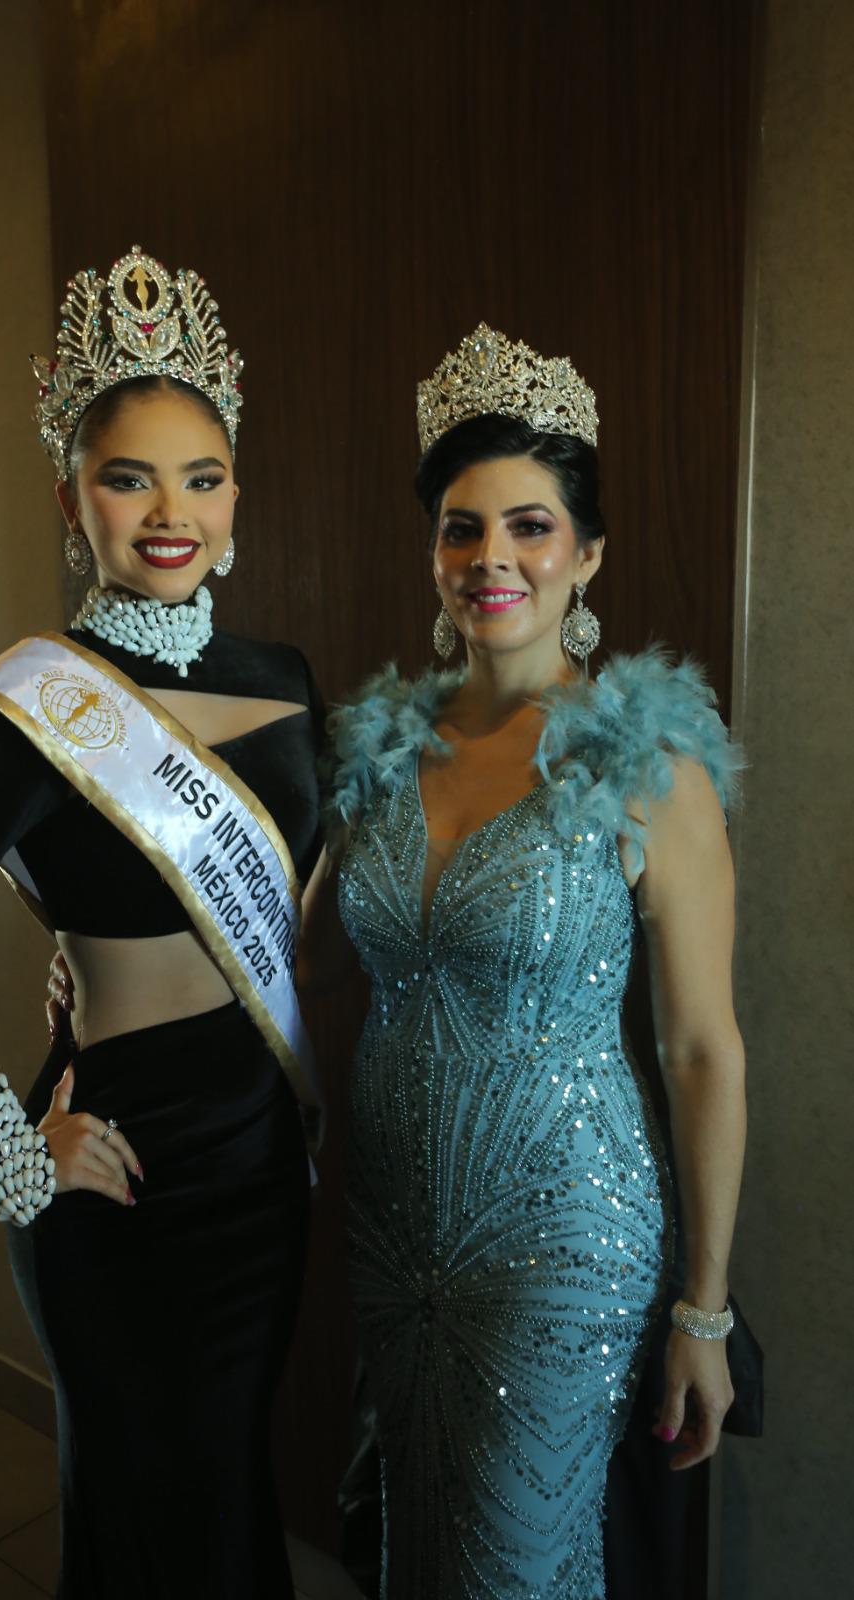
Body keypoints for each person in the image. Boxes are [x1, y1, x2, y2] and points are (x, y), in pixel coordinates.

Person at [0, 247, 325, 1600]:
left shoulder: (285, 679)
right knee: (136, 1498)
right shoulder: (27, 704)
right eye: (129, 477)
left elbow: (305, 887)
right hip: (118, 1158)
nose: (168, 513)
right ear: (75, 501)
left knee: (230, 1480)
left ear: (236, 497)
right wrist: (15, 1153)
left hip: (255, 1151)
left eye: (201, 476)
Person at [304, 325, 746, 1598]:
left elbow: (701, 1047)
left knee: (512, 1569)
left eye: (528, 525)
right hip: (393, 1228)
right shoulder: (377, 752)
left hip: (562, 1239)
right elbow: (296, 960)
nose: (490, 556)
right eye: (460, 526)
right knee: (414, 1547)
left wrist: (702, 1312)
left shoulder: (644, 764)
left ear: (585, 554)